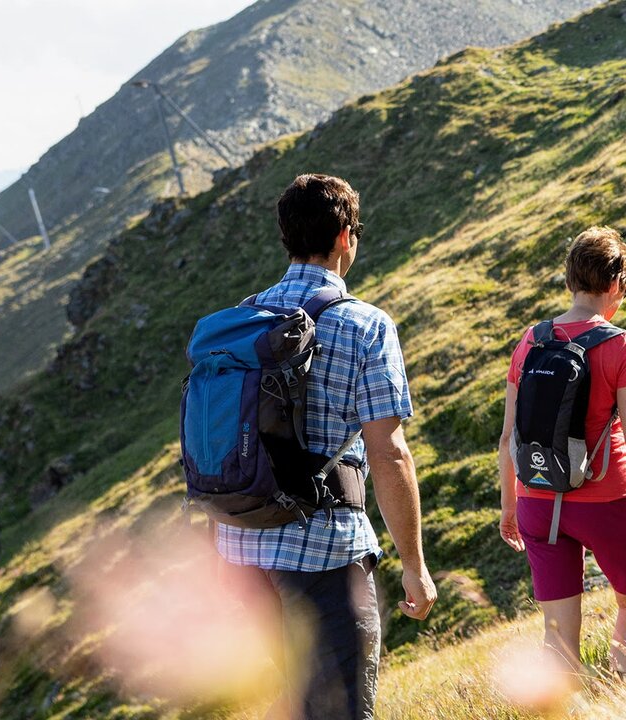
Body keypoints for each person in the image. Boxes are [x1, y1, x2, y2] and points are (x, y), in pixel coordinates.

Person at [215, 173, 436, 719]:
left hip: (238, 550)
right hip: (323, 552)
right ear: (344, 236)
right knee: (340, 709)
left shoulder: (243, 318)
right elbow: (389, 452)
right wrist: (414, 563)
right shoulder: (365, 325)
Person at [497, 226, 626, 676]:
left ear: (570, 280)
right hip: (608, 500)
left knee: (557, 632)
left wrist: (510, 504)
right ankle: (622, 695)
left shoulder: (529, 342)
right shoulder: (622, 345)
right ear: (615, 284)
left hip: (538, 500)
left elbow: (508, 438)